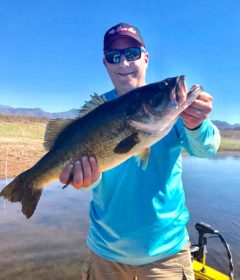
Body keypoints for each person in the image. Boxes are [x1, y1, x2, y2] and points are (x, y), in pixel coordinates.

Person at [60, 23, 221, 280]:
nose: (124, 63)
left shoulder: (175, 109)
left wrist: (197, 123)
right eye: (115, 57)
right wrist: (84, 179)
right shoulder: (95, 114)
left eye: (132, 53)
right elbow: (96, 175)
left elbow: (208, 148)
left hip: (167, 255)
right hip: (105, 254)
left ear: (145, 57)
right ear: (106, 64)